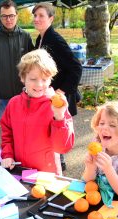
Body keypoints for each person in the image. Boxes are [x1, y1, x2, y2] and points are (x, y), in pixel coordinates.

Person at [0, 49, 74, 175]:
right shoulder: (14, 103)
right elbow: (7, 133)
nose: (39, 84)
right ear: (23, 78)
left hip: (47, 173)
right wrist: (7, 154)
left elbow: (62, 147)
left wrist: (59, 116)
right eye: (33, 79)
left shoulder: (56, 106)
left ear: (51, 79)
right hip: (19, 169)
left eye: (44, 79)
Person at [32, 2, 82, 170]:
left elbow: (76, 67)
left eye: (41, 16)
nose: (36, 19)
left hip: (57, 96)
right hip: (46, 92)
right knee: (49, 129)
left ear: (51, 19)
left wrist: (62, 90)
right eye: (35, 16)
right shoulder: (41, 38)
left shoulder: (54, 39)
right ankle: (54, 161)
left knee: (56, 129)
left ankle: (59, 165)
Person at [0, 0, 34, 122]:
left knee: (24, 130)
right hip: (2, 96)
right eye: (4, 16)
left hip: (23, 94)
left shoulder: (25, 36)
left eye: (11, 15)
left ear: (17, 15)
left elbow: (32, 65)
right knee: (5, 133)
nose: (8, 19)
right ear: (0, 16)